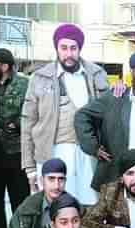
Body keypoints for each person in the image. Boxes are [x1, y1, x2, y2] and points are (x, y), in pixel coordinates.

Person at [22, 23, 109, 205]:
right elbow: (28, 124)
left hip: (89, 155)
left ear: (79, 49)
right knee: (55, 209)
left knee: (90, 207)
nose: (68, 54)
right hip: (52, 154)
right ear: (56, 48)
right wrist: (30, 167)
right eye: (64, 48)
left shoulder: (96, 74)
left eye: (73, 48)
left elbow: (109, 113)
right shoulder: (39, 78)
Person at [75, 48, 135, 191]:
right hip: (114, 177)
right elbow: (82, 116)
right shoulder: (115, 98)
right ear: (132, 73)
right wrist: (93, 147)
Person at [0, 48, 30, 228]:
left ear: (4, 66)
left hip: (17, 152)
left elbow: (32, 114)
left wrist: (17, 124)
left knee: (19, 200)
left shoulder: (24, 84)